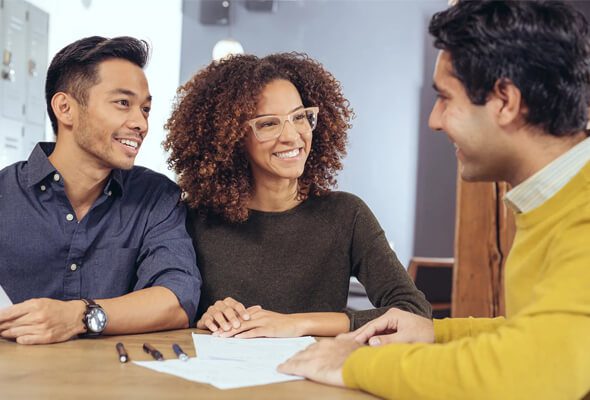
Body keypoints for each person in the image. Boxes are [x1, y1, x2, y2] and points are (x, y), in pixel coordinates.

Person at [278, 1, 590, 399]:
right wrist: (434, 332)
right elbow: (542, 335)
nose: (435, 120)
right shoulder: (556, 199)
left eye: (445, 98)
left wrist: (352, 364)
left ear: (505, 101)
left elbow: (536, 372)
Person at [164, 53, 431, 338]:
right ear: (230, 137)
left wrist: (296, 323)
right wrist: (203, 316)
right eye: (268, 123)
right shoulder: (195, 219)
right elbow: (169, 309)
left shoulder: (346, 215)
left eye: (300, 116)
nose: (292, 136)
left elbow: (413, 312)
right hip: (216, 378)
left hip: (313, 377)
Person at [0, 36, 201, 345]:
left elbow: (177, 299)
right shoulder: (5, 195)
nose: (141, 124)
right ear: (65, 108)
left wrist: (80, 316)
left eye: (145, 109)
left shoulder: (156, 197)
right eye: (123, 103)